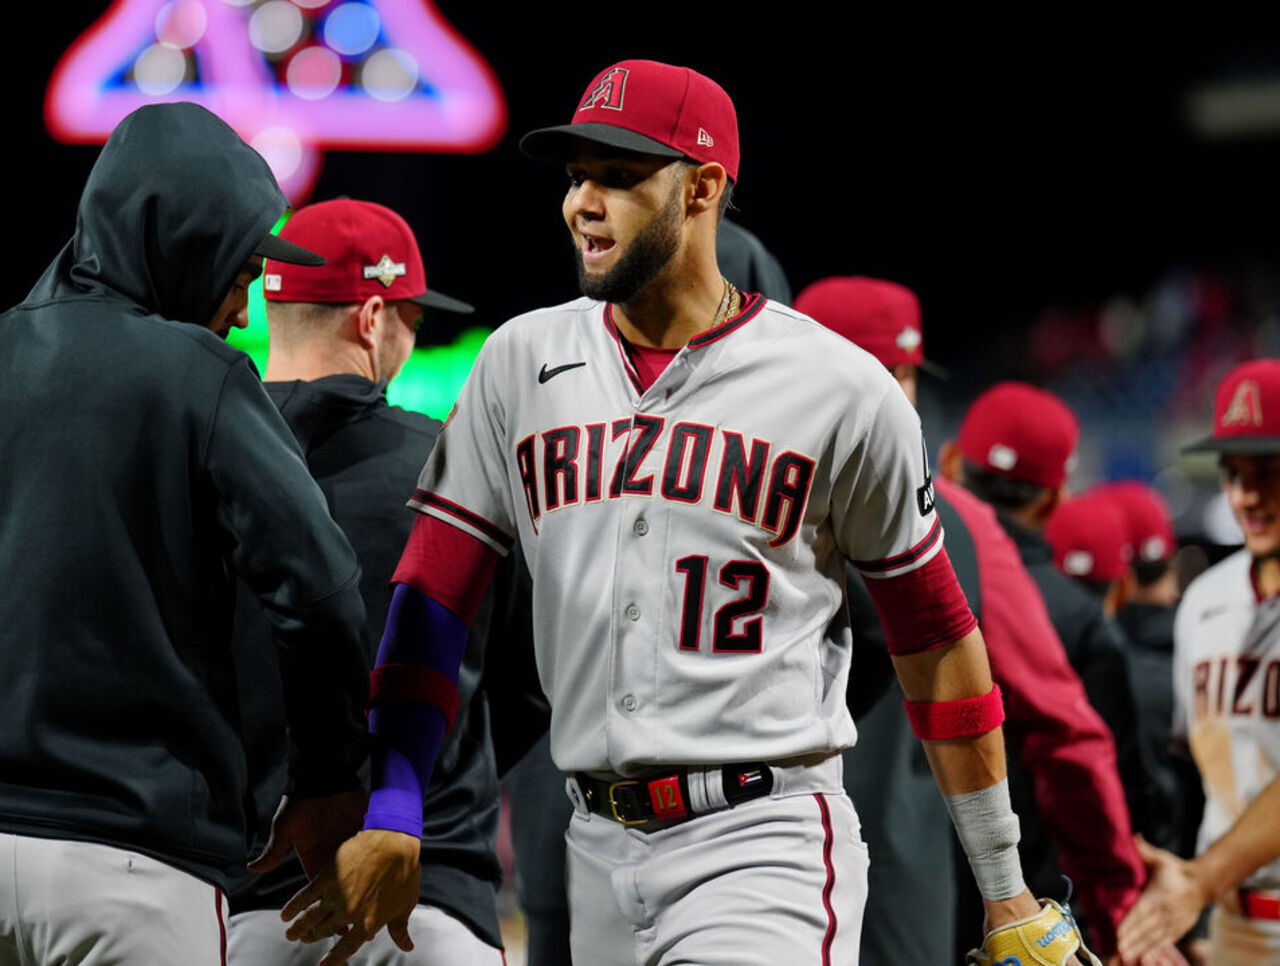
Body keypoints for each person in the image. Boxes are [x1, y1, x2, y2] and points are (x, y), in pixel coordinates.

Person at [282, 59, 1069, 966]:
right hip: (594, 842)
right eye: (577, 175)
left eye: (619, 176)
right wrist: (395, 799)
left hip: (762, 840)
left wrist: (1004, 884)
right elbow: (431, 597)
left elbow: (935, 639)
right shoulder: (517, 361)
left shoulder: (840, 387)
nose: (584, 201)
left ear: (702, 189)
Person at [0, 102, 371, 964]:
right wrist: (328, 781)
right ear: (181, 244)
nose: (242, 313)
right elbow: (319, 592)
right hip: (130, 866)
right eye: (238, 273)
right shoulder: (194, 374)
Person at [794, 276, 1164, 964]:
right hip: (897, 895)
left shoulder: (721, 495)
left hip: (717, 867)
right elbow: (1066, 733)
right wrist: (1116, 904)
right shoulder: (953, 526)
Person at [221, 198, 507, 965]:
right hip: (430, 893)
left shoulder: (201, 462)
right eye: (412, 320)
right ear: (372, 317)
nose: (411, 341)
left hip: (247, 904)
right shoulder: (451, 461)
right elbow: (531, 683)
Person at [939, 384, 1152, 922]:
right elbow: (1087, 771)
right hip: (1023, 904)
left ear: (950, 462)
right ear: (1057, 499)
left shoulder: (870, 565)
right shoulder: (1078, 615)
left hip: (872, 884)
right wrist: (1115, 906)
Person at [1117, 359, 1280, 965]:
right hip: (1232, 926)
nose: (1245, 495)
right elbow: (1194, 778)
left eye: (1266, 472)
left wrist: (1200, 881)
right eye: (1234, 473)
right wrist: (1191, 918)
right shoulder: (1205, 602)